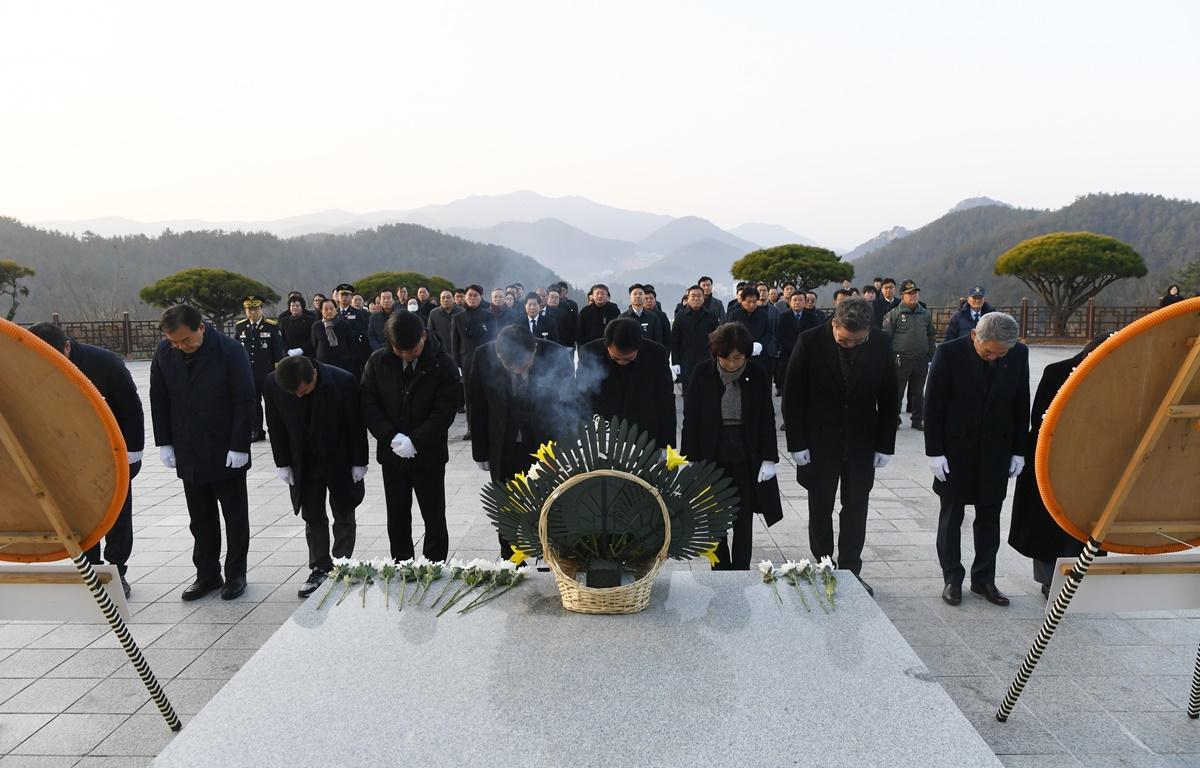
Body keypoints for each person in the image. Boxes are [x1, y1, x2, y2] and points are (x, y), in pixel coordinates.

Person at [783, 298, 898, 596]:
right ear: (834, 324)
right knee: (820, 506)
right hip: (820, 441)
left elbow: (889, 397)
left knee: (856, 507)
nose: (852, 345)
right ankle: (823, 565)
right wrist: (797, 443)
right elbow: (793, 396)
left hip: (862, 442)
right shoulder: (809, 342)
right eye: (845, 341)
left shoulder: (881, 344)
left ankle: (850, 569)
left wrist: (885, 444)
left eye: (858, 341)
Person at [28, 322, 144, 598]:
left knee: (116, 513)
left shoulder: (104, 363)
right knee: (80, 514)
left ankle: (118, 571)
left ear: (66, 347)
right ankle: (90, 567)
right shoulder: (31, 364)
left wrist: (133, 453)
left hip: (110, 450)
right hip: (66, 454)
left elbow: (130, 407)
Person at [149, 304, 254, 601]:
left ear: (201, 328)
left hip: (224, 448)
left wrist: (239, 446)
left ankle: (236, 574)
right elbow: (158, 398)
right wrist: (165, 442)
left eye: (185, 340)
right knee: (200, 517)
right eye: (174, 342)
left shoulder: (230, 350)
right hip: (189, 447)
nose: (180, 347)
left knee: (234, 516)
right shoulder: (164, 353)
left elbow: (245, 399)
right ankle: (207, 574)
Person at [925, 312, 1029, 608]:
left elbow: (1022, 403)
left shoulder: (1019, 354)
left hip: (997, 450)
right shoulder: (948, 353)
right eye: (988, 351)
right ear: (974, 337)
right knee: (951, 517)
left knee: (989, 517)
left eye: (1001, 353)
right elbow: (933, 405)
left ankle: (984, 578)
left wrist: (1019, 451)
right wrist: (935, 452)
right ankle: (952, 579)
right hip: (956, 450)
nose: (994, 357)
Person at [1008, 334, 1110, 597]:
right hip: (1055, 460)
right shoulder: (1057, 372)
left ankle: (1083, 575)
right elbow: (1040, 420)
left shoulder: (1116, 377)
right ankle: (1048, 579)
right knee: (1049, 523)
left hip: (1094, 465)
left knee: (1084, 525)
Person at [470, 326, 579, 558]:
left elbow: (569, 403)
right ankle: (510, 560)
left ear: (534, 349)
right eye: (512, 368)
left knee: (550, 505)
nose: (519, 371)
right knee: (506, 506)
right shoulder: (482, 355)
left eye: (524, 365)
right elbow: (477, 405)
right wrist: (481, 451)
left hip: (545, 446)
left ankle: (551, 559)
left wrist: (568, 448)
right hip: (504, 445)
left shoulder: (557, 355)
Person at [264, 356, 368, 597]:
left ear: (314, 375)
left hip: (338, 459)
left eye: (304, 390)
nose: (299, 396)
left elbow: (356, 424)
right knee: (312, 516)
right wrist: (282, 463)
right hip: (303, 461)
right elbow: (275, 423)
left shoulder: (342, 381)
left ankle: (343, 565)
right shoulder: (273, 384)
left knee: (343, 510)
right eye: (294, 394)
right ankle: (320, 567)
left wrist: (359, 462)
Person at [360, 311, 460, 563]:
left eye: (412, 350)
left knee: (433, 512)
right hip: (393, 454)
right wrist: (391, 437)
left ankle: (434, 563)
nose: (406, 355)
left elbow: (445, 409)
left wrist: (416, 440)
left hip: (429, 453)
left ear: (423, 337)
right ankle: (402, 562)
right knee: (397, 513)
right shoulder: (377, 361)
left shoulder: (442, 363)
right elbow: (368, 404)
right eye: (399, 350)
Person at [681, 322, 781, 569]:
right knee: (714, 515)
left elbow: (767, 417)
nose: (732, 364)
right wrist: (689, 458)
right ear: (716, 354)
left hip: (746, 452)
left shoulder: (757, 374)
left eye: (737, 358)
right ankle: (720, 566)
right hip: (712, 451)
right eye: (725, 358)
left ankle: (742, 567)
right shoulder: (702, 373)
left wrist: (769, 457)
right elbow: (691, 417)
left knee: (743, 515)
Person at [578, 318, 676, 451]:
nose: (621, 363)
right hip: (603, 433)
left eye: (629, 359)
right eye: (615, 358)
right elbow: (583, 397)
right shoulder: (590, 352)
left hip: (643, 434)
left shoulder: (657, 354)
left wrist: (667, 445)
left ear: (639, 346)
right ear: (607, 344)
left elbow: (666, 401)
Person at [882, 280, 937, 431]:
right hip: (900, 360)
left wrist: (931, 357)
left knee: (919, 393)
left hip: (920, 359)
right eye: (910, 293)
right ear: (902, 295)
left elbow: (931, 336)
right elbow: (886, 337)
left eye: (915, 293)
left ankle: (918, 420)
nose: (913, 296)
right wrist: (888, 359)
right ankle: (894, 419)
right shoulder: (894, 314)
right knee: (897, 392)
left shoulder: (925, 314)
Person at [233, 295, 285, 442]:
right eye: (249, 309)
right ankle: (256, 430)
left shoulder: (272, 326)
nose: (252, 312)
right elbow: (236, 349)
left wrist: (277, 370)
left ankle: (274, 428)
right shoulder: (241, 326)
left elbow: (278, 350)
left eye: (255, 309)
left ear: (261, 309)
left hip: (267, 372)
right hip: (249, 372)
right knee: (253, 402)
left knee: (271, 402)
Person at [452, 285, 498, 440]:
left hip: (487, 363)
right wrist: (457, 366)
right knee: (470, 399)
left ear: (481, 296)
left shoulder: (489, 316)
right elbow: (455, 345)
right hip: (466, 364)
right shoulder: (457, 318)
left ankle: (489, 426)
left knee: (487, 397)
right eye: (469, 295)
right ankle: (471, 428)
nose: (472, 298)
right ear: (465, 297)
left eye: (475, 295)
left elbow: (494, 340)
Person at [671, 285, 719, 395]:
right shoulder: (680, 316)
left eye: (699, 296)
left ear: (703, 298)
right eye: (693, 296)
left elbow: (717, 340)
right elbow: (675, 341)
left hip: (707, 360)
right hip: (686, 362)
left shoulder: (711, 316)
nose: (696, 298)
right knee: (689, 395)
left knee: (707, 394)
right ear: (687, 298)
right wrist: (676, 362)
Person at [726, 285, 775, 374]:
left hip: (759, 354)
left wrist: (760, 344)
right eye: (748, 302)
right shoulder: (734, 315)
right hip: (740, 354)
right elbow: (731, 333)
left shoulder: (763, 315)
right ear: (742, 300)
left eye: (754, 302)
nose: (752, 305)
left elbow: (769, 332)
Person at [774, 291, 808, 398]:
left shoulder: (810, 316)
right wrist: (793, 348)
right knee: (787, 377)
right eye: (795, 300)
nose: (797, 302)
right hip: (788, 352)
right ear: (790, 302)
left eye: (800, 300)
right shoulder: (783, 317)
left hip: (806, 352)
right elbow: (781, 335)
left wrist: (802, 348)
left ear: (805, 302)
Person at [311, 298, 357, 374]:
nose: (329, 311)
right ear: (321, 311)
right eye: (325, 309)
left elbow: (351, 344)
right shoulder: (316, 326)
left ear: (336, 309)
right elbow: (314, 345)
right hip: (323, 364)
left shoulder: (344, 325)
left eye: (331, 308)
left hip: (343, 364)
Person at [334, 283, 370, 376]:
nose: (344, 298)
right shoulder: (334, 312)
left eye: (347, 295)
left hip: (352, 351)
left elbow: (358, 330)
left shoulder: (357, 313)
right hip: (337, 350)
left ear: (351, 297)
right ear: (338, 296)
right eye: (342, 295)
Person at [551, 282, 579, 349]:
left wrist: (576, 339)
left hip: (569, 340)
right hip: (556, 339)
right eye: (559, 290)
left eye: (562, 290)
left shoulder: (572, 304)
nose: (560, 292)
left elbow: (576, 322)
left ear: (567, 291)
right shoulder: (553, 304)